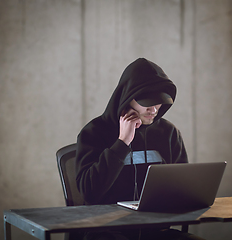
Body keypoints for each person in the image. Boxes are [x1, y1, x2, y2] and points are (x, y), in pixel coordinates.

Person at [75, 58, 205, 240]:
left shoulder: (168, 133)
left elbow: (184, 188)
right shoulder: (94, 132)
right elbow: (90, 193)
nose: (154, 110)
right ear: (127, 98)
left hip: (155, 230)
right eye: (147, 102)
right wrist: (122, 142)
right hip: (105, 231)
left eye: (159, 102)